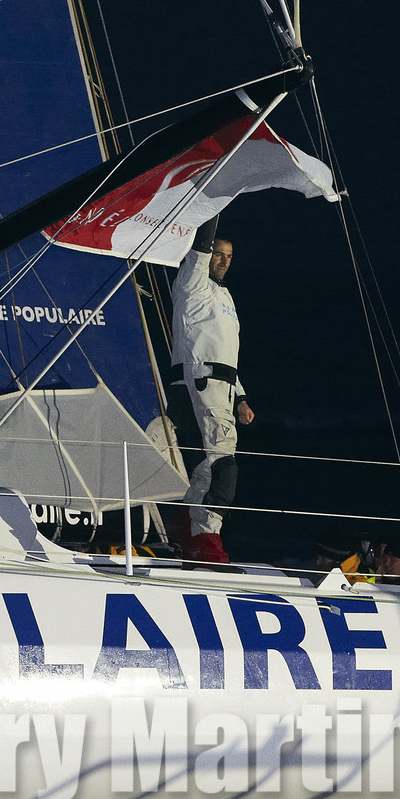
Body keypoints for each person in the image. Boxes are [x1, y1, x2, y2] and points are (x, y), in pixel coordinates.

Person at [167, 235, 254, 563]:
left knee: (208, 470)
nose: (223, 261)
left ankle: (185, 540)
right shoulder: (191, 283)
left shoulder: (224, 295)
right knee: (220, 468)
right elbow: (199, 246)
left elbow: (225, 353)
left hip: (222, 388)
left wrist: (241, 398)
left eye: (229, 256)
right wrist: (212, 193)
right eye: (217, 254)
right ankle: (205, 544)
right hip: (197, 384)